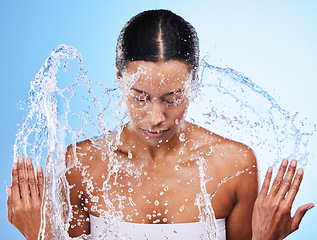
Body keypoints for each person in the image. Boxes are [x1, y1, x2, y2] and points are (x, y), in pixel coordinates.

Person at [7, 9, 314, 240]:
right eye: (139, 96)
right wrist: (40, 235)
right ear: (119, 76)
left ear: (194, 82)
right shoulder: (79, 165)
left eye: (172, 97)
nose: (155, 117)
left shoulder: (233, 165)